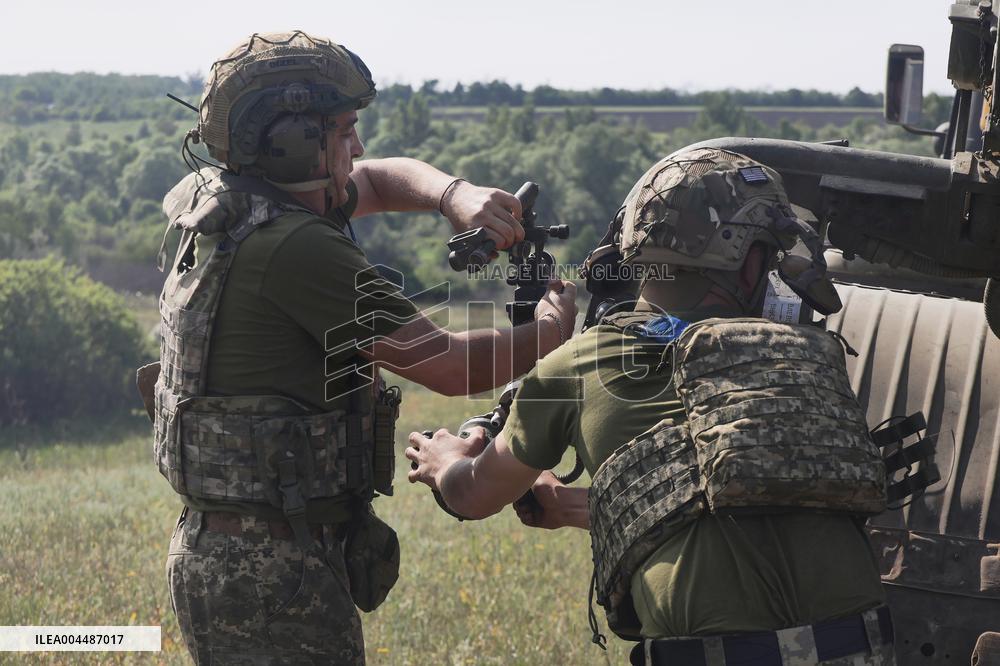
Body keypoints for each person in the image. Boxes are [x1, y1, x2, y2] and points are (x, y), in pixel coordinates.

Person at [141, 31, 577, 665]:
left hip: (245, 549)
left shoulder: (234, 201)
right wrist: (550, 332)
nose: (358, 146)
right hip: (273, 570)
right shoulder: (296, 247)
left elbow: (373, 180)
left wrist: (455, 197)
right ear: (289, 144)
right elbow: (448, 365)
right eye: (343, 131)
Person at [406, 148, 896, 665]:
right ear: (751, 265)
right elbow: (736, 486)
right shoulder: (809, 361)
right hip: (864, 646)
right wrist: (580, 506)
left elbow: (474, 495)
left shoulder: (578, 365)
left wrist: (448, 463)